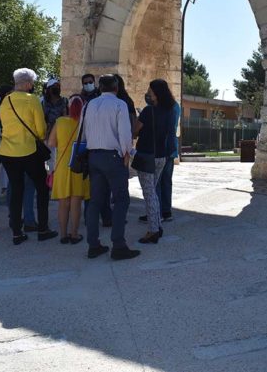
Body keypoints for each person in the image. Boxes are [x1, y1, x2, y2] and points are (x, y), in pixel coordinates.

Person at [81, 74, 139, 260]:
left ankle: (93, 244)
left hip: (93, 156)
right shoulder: (119, 104)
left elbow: (84, 130)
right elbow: (124, 133)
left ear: (99, 87)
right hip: (113, 157)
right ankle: (119, 245)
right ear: (116, 87)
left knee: (95, 201)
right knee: (121, 199)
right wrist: (127, 153)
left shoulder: (89, 104)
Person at [0, 68, 58, 244]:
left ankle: (17, 232)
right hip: (28, 150)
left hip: (8, 152)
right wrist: (41, 135)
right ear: (26, 83)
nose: (32, 86)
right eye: (31, 83)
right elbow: (40, 129)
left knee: (16, 190)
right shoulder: (32, 100)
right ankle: (43, 229)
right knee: (41, 188)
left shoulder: (5, 100)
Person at [133, 79, 176, 243]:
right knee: (153, 192)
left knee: (149, 193)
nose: (148, 94)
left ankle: (153, 230)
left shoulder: (147, 111)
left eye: (150, 91)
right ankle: (157, 224)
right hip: (161, 156)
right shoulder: (170, 111)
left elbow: (135, 130)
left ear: (156, 94)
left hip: (146, 156)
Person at [48, 95, 89, 244]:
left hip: (62, 166)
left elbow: (52, 143)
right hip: (79, 165)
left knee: (63, 203)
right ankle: (74, 234)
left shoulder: (59, 122)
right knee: (76, 202)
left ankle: (63, 235)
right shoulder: (85, 123)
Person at [157, 94, 180, 221]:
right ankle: (166, 211)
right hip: (170, 149)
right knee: (166, 181)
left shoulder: (160, 108)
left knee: (157, 182)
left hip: (160, 149)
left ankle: (158, 211)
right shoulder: (175, 106)